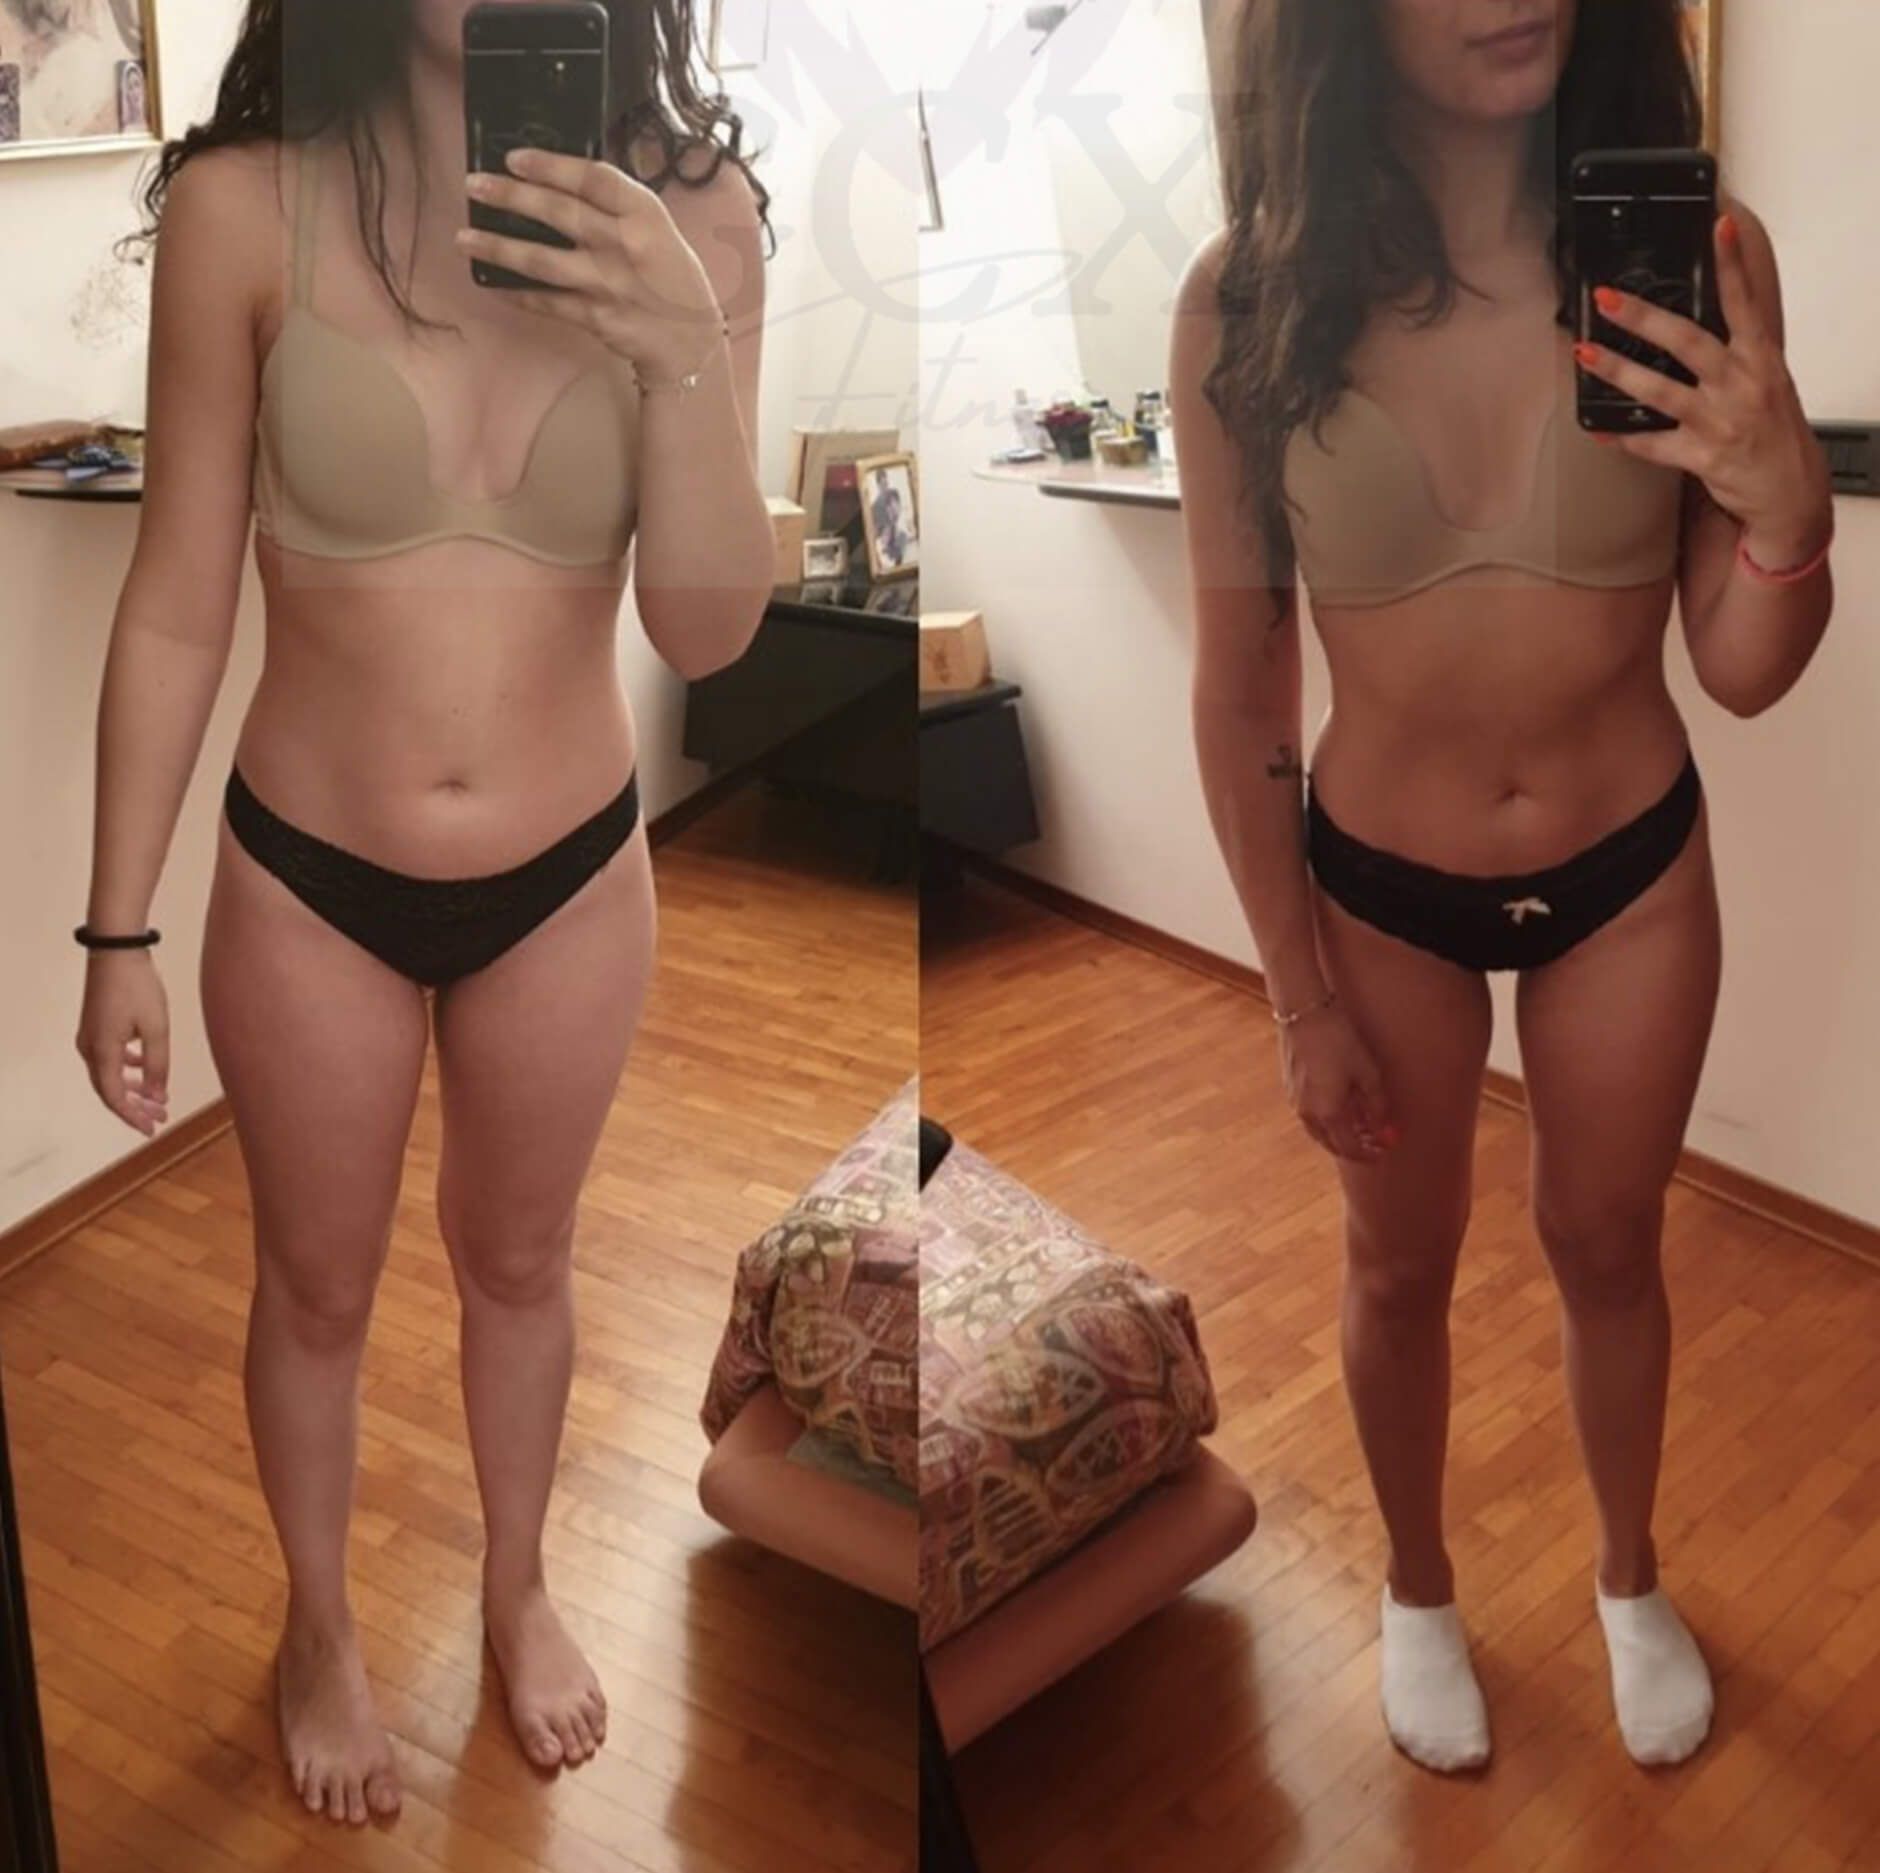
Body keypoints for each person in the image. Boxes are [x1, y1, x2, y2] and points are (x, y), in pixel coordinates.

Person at [72, 0, 776, 1826]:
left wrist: (683, 351)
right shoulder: (246, 205)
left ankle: (519, 1584)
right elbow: (176, 599)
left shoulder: (696, 220)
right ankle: (320, 1622)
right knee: (313, 1287)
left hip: (570, 873)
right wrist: (114, 926)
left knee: (523, 1265)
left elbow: (706, 633)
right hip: (307, 875)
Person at [1170, 0, 1834, 1776]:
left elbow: (1743, 664)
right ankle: (1416, 1588)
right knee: (1398, 1268)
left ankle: (1628, 1576)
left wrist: (1792, 517)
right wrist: (1297, 994)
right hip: (1379, 891)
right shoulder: (1251, 297)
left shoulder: (1700, 254)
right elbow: (1241, 691)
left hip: (1632, 872)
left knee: (1610, 1248)